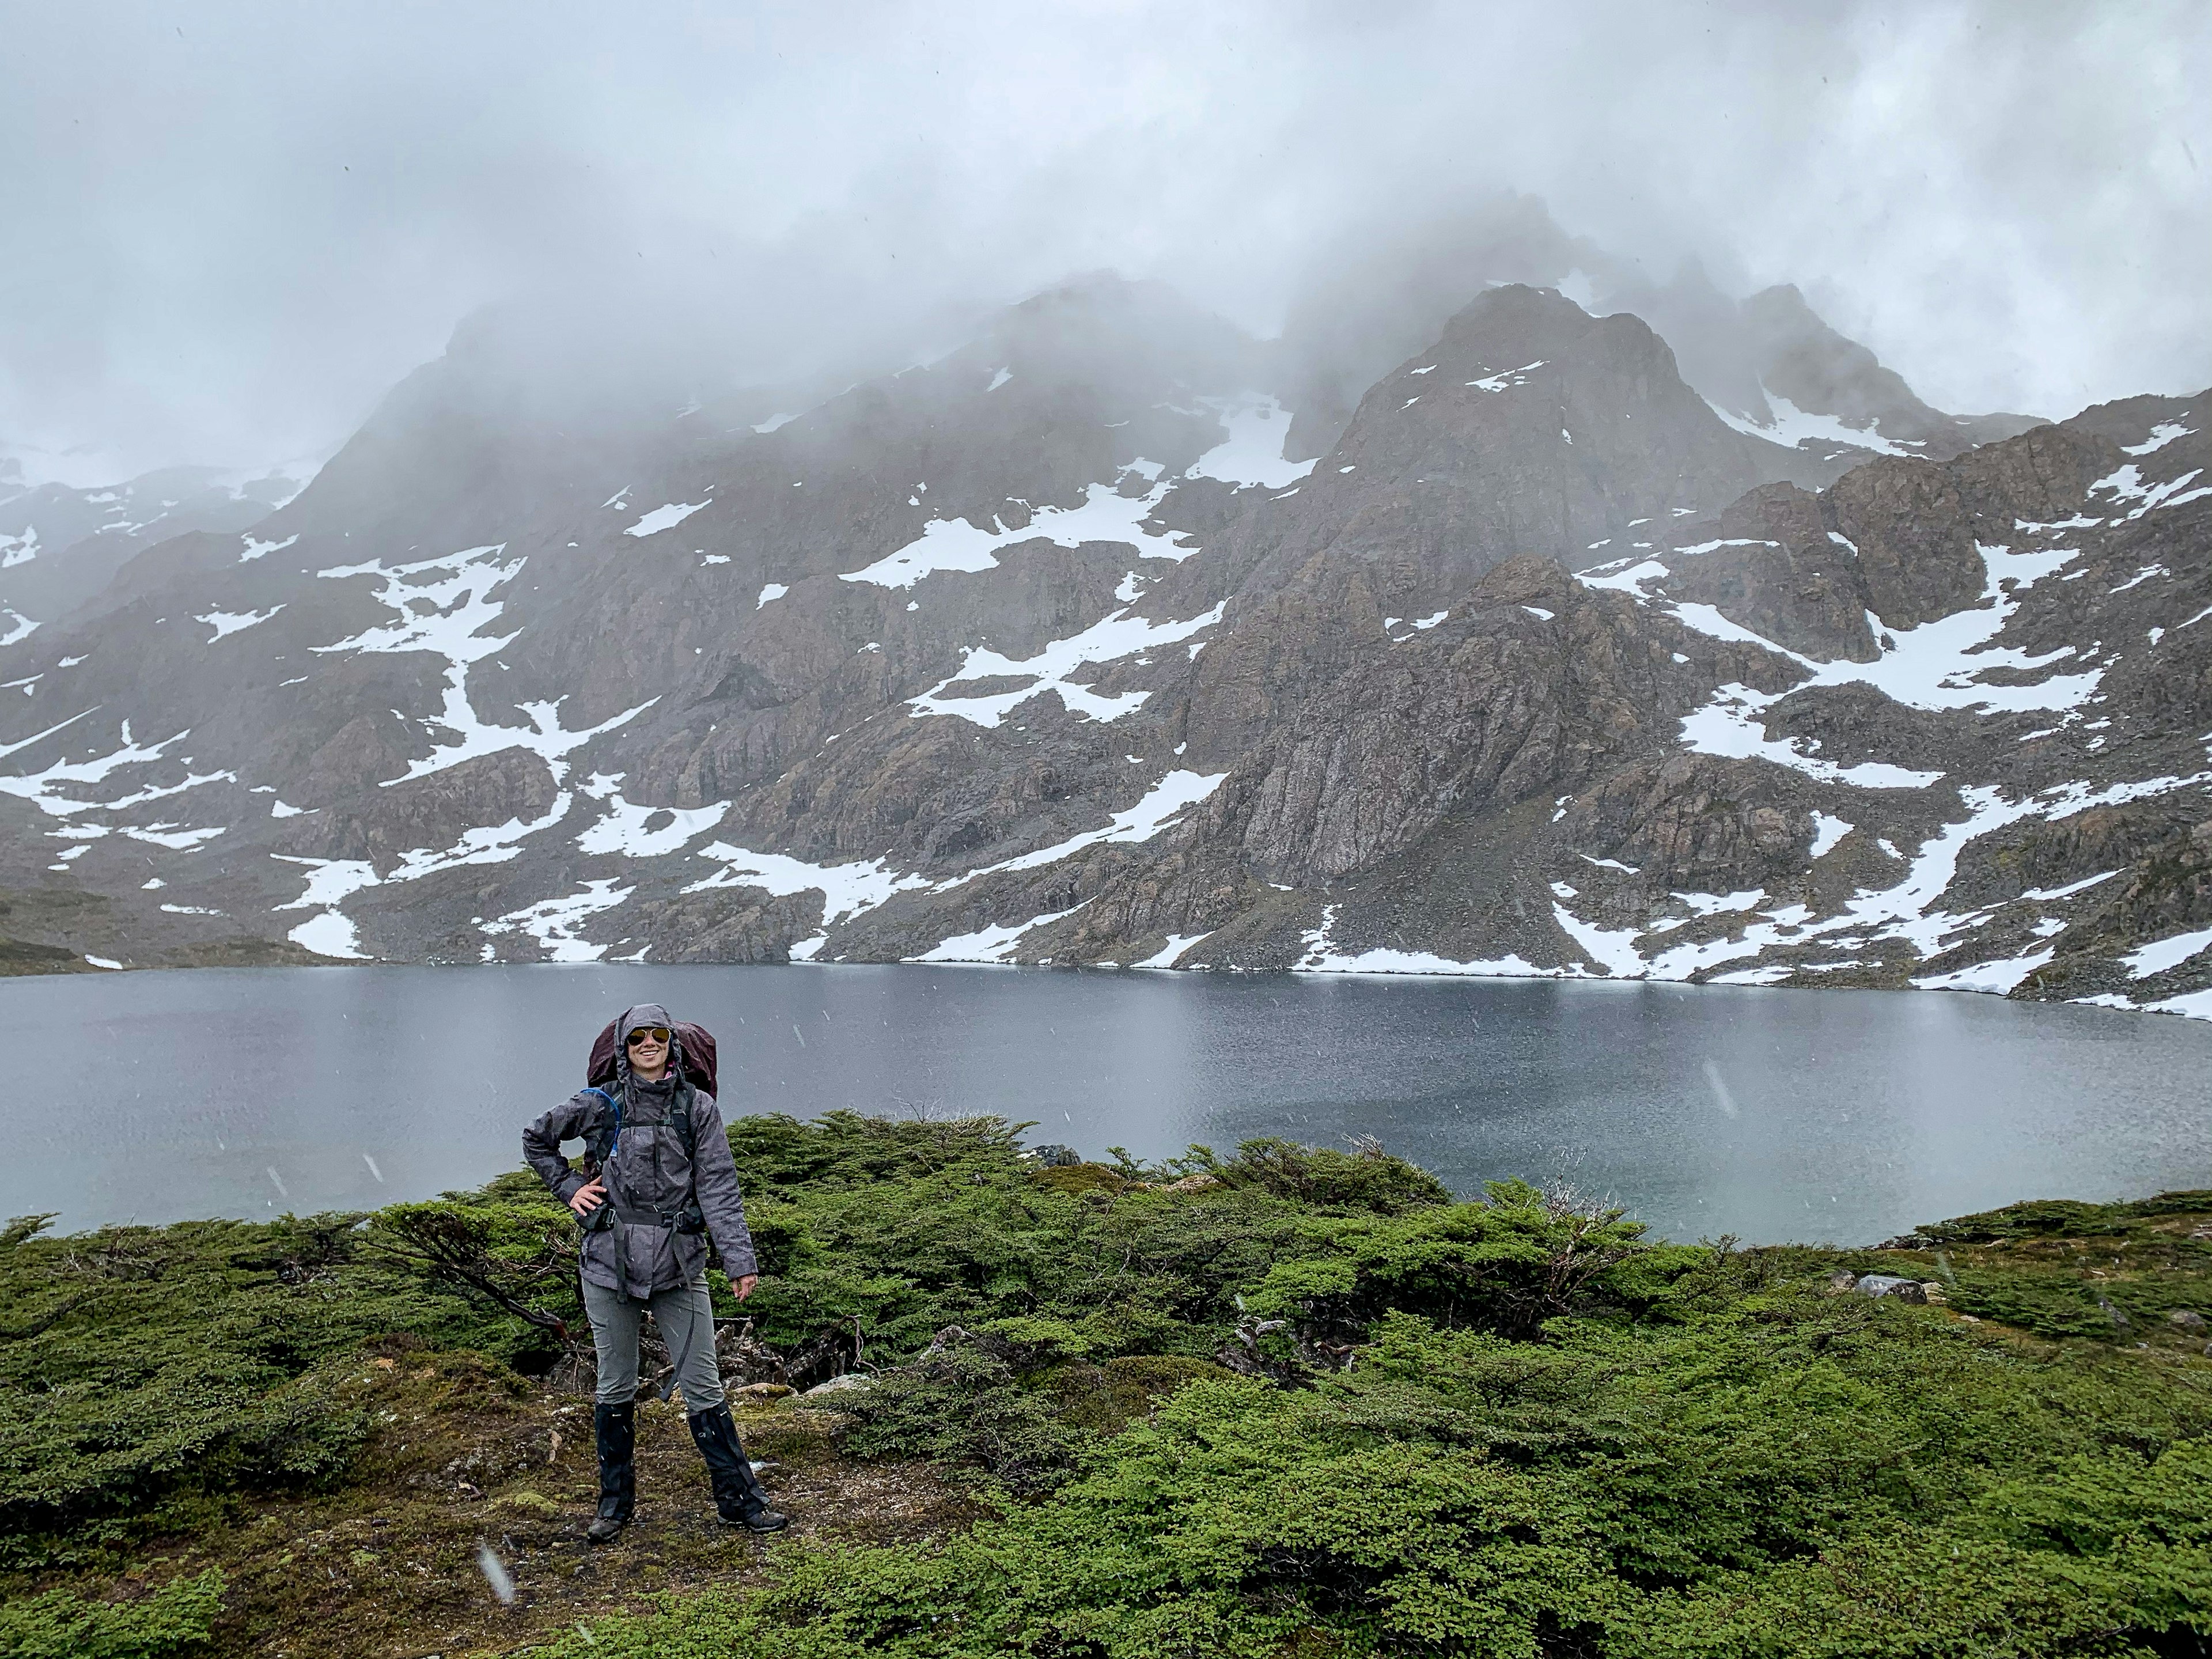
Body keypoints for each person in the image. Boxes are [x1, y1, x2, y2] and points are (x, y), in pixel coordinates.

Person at [522, 1003, 789, 1540]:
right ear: (623, 1046)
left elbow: (718, 1186)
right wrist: (570, 1188)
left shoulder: (698, 1108)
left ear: (674, 1042)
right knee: (614, 1385)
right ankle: (614, 1508)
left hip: (679, 1263)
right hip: (607, 1264)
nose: (649, 1044)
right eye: (638, 1036)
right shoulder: (599, 1105)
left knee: (703, 1384)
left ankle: (739, 1502)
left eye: (658, 1035)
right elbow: (536, 1138)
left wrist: (739, 1261)